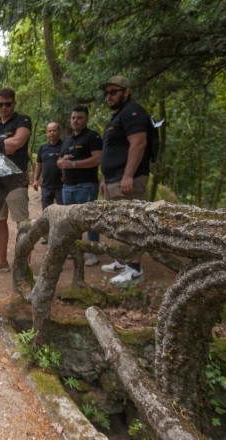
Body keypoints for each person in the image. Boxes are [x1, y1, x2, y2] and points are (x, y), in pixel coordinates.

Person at [98, 76, 153, 286]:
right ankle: (123, 261)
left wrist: (128, 175)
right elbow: (110, 151)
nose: (109, 96)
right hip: (114, 180)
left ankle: (135, 269)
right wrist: (104, 177)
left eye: (114, 92)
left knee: (133, 224)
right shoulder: (118, 117)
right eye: (107, 93)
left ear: (126, 92)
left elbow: (138, 143)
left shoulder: (132, 111)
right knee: (119, 224)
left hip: (128, 180)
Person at [0, 87, 32, 274]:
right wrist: (3, 145)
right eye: (0, 104)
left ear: (14, 103)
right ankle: (1, 261)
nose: (3, 108)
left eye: (7, 104)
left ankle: (24, 265)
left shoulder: (23, 120)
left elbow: (18, 142)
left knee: (22, 224)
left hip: (16, 179)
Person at [57, 106, 103, 266]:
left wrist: (74, 163)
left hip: (87, 185)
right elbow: (60, 161)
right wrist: (61, 162)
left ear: (87, 119)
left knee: (89, 219)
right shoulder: (67, 140)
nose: (75, 121)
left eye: (79, 118)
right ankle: (76, 250)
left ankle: (93, 252)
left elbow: (98, 159)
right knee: (72, 221)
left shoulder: (93, 137)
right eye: (73, 118)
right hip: (68, 187)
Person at [32, 122, 64, 244]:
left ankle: (60, 237)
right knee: (46, 213)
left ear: (58, 131)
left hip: (61, 187)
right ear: (46, 132)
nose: (52, 133)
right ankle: (48, 236)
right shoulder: (42, 148)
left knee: (61, 213)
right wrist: (35, 179)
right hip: (46, 186)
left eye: (54, 130)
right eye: (49, 131)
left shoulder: (64, 146)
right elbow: (39, 165)